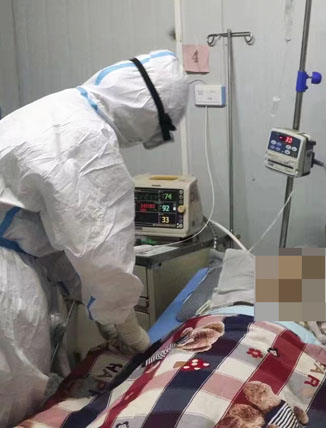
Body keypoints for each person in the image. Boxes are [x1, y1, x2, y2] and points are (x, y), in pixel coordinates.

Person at [0, 50, 188, 425]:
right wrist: (127, 325)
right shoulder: (88, 138)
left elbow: (49, 230)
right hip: (7, 281)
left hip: (15, 257)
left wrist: (92, 299)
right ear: (147, 109)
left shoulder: (59, 108)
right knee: (12, 396)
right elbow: (101, 253)